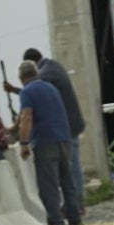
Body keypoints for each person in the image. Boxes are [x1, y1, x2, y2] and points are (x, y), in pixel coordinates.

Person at [5, 48, 86, 214]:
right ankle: (75, 212)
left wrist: (23, 141)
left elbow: (30, 103)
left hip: (54, 135)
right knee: (68, 177)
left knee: (53, 180)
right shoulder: (53, 68)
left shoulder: (45, 76)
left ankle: (63, 214)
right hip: (65, 131)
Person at [16, 60, 82, 225]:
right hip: (64, 138)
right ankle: (75, 218)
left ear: (21, 78)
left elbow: (27, 117)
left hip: (45, 141)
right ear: (36, 73)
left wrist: (23, 143)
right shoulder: (50, 87)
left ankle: (55, 221)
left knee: (48, 184)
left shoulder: (27, 91)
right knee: (67, 181)